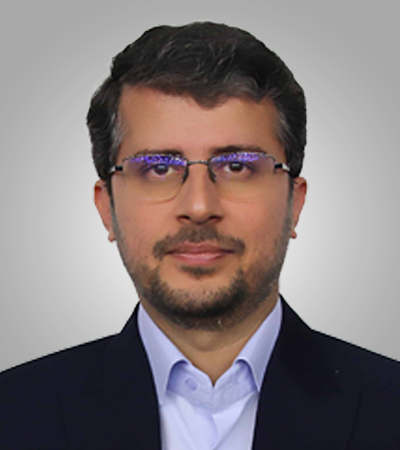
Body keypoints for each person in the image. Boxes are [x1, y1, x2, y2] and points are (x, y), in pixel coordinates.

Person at [1, 22, 399, 450]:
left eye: (237, 166)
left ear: (294, 203)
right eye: (158, 168)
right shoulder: (13, 413)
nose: (198, 206)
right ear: (107, 208)